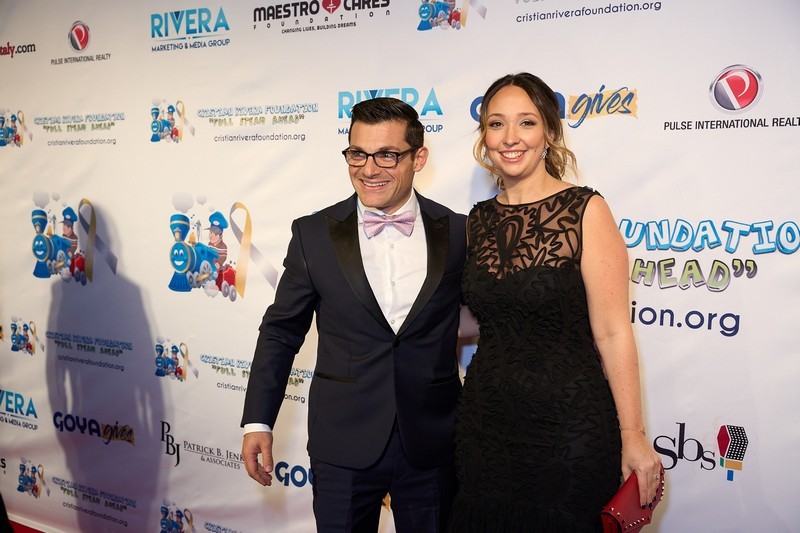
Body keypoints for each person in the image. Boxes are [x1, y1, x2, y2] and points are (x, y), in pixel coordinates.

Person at [448, 73, 662, 532]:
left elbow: (613, 332)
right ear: (484, 136)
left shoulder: (586, 210)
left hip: (569, 426)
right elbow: (481, 317)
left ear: (549, 131)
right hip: (486, 424)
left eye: (526, 122)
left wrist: (633, 435)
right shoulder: (477, 221)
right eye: (496, 124)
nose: (510, 137)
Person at [241, 97, 466, 533]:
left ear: (418, 158)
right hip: (342, 442)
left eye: (387, 155)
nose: (369, 169)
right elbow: (281, 333)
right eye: (358, 154)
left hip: (433, 441)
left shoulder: (458, 231)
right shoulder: (313, 234)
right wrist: (258, 420)